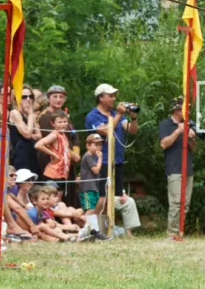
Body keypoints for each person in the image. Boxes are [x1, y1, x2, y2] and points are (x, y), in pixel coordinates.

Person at [85, 84, 139, 229]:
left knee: (113, 197)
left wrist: (133, 117)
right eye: (110, 95)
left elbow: (132, 130)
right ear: (101, 97)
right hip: (101, 162)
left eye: (114, 95)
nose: (114, 98)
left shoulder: (114, 114)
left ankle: (107, 228)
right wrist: (120, 114)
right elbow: (106, 131)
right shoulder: (93, 115)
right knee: (101, 197)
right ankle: (93, 228)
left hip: (117, 161)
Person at [159, 97, 199, 239]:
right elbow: (164, 144)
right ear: (177, 110)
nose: (187, 112)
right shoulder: (165, 124)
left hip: (187, 168)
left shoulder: (188, 124)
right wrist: (178, 131)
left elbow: (193, 149)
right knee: (176, 202)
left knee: (185, 203)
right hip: (174, 167)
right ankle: (172, 233)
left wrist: (191, 137)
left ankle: (180, 232)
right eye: (185, 109)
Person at [37, 85, 81, 206]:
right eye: (55, 96)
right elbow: (49, 142)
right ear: (48, 98)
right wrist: (71, 155)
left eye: (61, 97)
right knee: (52, 195)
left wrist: (75, 154)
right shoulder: (45, 117)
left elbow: (75, 137)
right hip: (51, 161)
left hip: (67, 162)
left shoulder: (64, 116)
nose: (58, 100)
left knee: (67, 193)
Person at [35, 110, 71, 191]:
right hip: (53, 174)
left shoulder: (63, 134)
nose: (63, 124)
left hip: (62, 174)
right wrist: (54, 154)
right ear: (53, 124)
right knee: (52, 200)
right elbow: (38, 145)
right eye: (60, 122)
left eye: (65, 122)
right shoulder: (54, 135)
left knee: (58, 200)